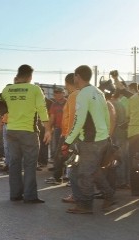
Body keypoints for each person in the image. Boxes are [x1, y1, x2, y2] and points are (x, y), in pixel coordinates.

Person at [63, 65, 114, 214]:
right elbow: (106, 116)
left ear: (77, 76)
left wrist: (68, 141)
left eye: (74, 76)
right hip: (102, 138)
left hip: (91, 140)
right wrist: (107, 136)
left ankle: (85, 205)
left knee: (84, 173)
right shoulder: (99, 92)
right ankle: (109, 194)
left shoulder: (83, 94)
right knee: (94, 170)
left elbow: (79, 120)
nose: (74, 79)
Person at [1, 64, 51, 203]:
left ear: (17, 75)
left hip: (11, 130)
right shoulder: (35, 89)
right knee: (30, 164)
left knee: (14, 163)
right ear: (30, 76)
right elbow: (42, 109)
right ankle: (30, 196)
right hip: (28, 131)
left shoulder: (7, 89)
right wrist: (47, 129)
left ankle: (15, 194)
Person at [46, 75, 76, 184]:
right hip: (59, 130)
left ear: (63, 93)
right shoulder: (54, 105)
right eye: (56, 93)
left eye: (60, 93)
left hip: (69, 131)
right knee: (58, 153)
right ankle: (62, 176)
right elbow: (52, 118)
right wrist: (48, 130)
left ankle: (64, 177)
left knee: (65, 154)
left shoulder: (70, 100)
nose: (57, 95)